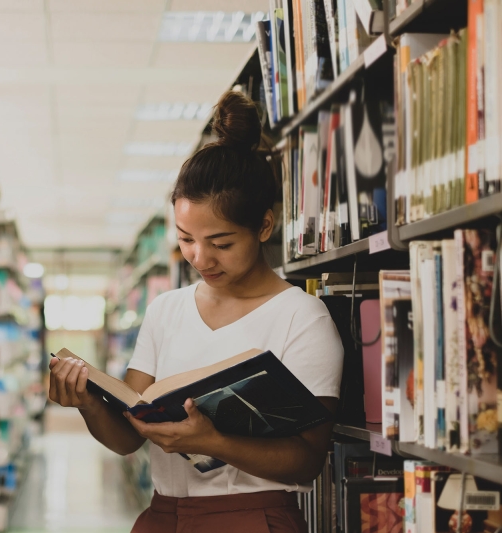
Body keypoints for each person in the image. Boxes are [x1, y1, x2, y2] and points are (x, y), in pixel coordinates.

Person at [48, 90, 344, 533]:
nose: (200, 259)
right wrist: (88, 401)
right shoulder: (166, 309)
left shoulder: (302, 318)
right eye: (186, 239)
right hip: (163, 515)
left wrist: (213, 441)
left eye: (221, 243)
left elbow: (306, 462)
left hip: (252, 520)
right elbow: (130, 437)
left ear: (264, 225)